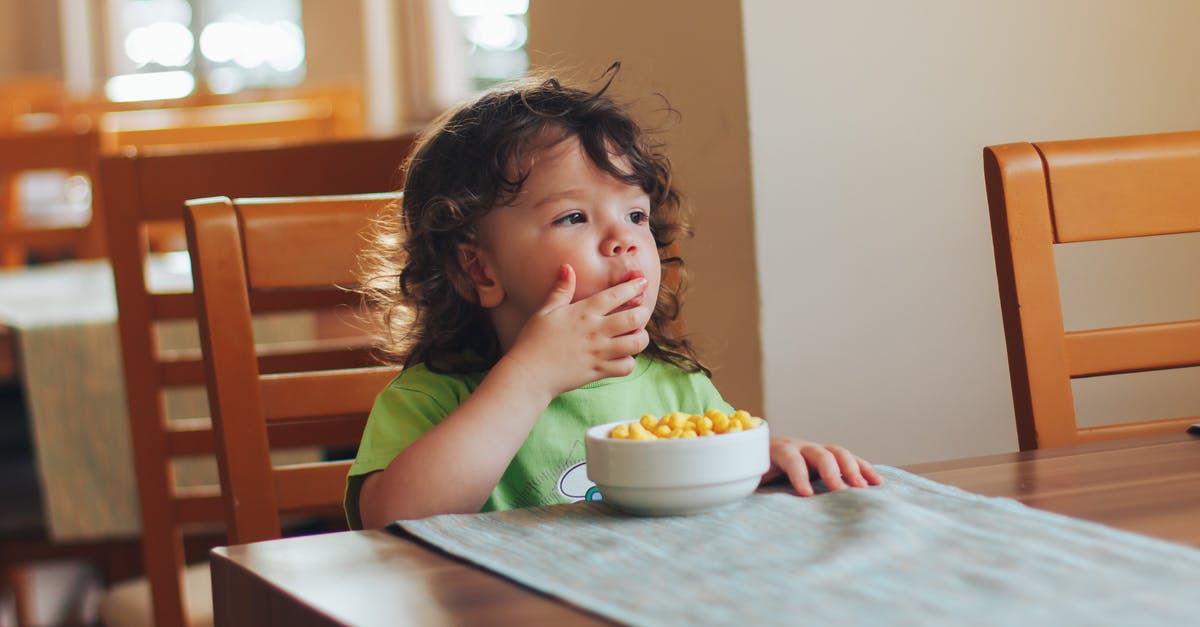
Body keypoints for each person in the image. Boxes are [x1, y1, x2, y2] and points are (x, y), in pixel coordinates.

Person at [347, 69, 882, 528]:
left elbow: (713, 493)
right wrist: (531, 377)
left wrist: (761, 461)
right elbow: (395, 525)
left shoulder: (676, 389)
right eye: (574, 217)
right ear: (478, 267)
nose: (624, 239)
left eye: (636, 215)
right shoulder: (432, 400)